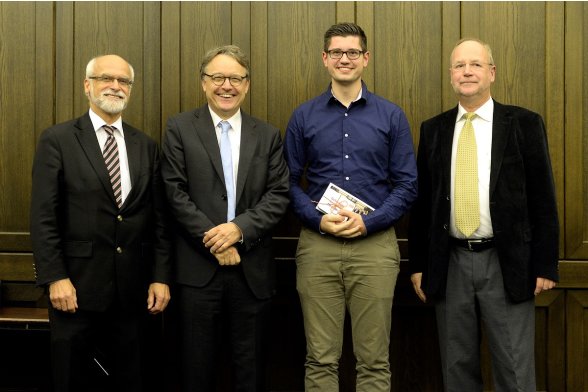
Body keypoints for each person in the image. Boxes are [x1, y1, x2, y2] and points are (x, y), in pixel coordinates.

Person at [409, 38, 559, 392]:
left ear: (491, 72)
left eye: (475, 64)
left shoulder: (524, 124)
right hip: (450, 263)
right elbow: (424, 202)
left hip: (507, 262)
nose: (467, 72)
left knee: (515, 368)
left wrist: (545, 264)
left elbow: (543, 197)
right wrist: (418, 263)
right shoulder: (434, 130)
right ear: (450, 76)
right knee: (457, 367)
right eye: (460, 66)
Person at [283, 23, 418, 391]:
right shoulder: (303, 117)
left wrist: (367, 224)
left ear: (366, 59)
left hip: (374, 248)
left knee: (374, 360)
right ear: (325, 59)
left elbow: (407, 185)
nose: (345, 59)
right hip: (318, 246)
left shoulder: (391, 116)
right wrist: (318, 220)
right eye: (337, 52)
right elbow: (288, 183)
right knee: (320, 358)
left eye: (353, 52)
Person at [30, 54, 172, 392]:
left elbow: (160, 220)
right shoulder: (58, 139)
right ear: (87, 85)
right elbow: (43, 216)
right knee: (72, 380)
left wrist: (159, 277)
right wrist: (55, 278)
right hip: (75, 290)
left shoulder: (146, 146)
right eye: (106, 78)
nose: (115, 86)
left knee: (130, 380)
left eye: (124, 81)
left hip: (132, 292)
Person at [160, 45, 290, 392]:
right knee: (195, 371)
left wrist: (238, 230)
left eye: (235, 78)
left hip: (252, 274)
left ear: (247, 84)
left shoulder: (267, 134)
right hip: (197, 272)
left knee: (251, 372)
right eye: (218, 77)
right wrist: (215, 240)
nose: (226, 85)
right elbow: (174, 192)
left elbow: (279, 195)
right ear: (204, 82)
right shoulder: (180, 128)